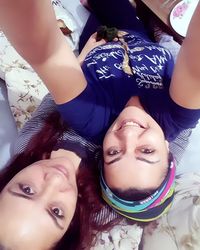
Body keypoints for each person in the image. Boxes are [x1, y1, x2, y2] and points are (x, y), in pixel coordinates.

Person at [1, 0, 200, 222]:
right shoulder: (176, 118)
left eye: (113, 153)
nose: (128, 135)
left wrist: (81, 57)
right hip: (142, 37)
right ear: (167, 147)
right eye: (146, 151)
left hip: (100, 38)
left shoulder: (90, 118)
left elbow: (47, 56)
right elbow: (194, 67)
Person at [0, 111, 110, 250]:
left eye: (27, 190)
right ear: (70, 227)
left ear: (6, 182)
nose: (55, 179)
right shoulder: (103, 204)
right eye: (56, 211)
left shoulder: (27, 144)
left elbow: (54, 97)